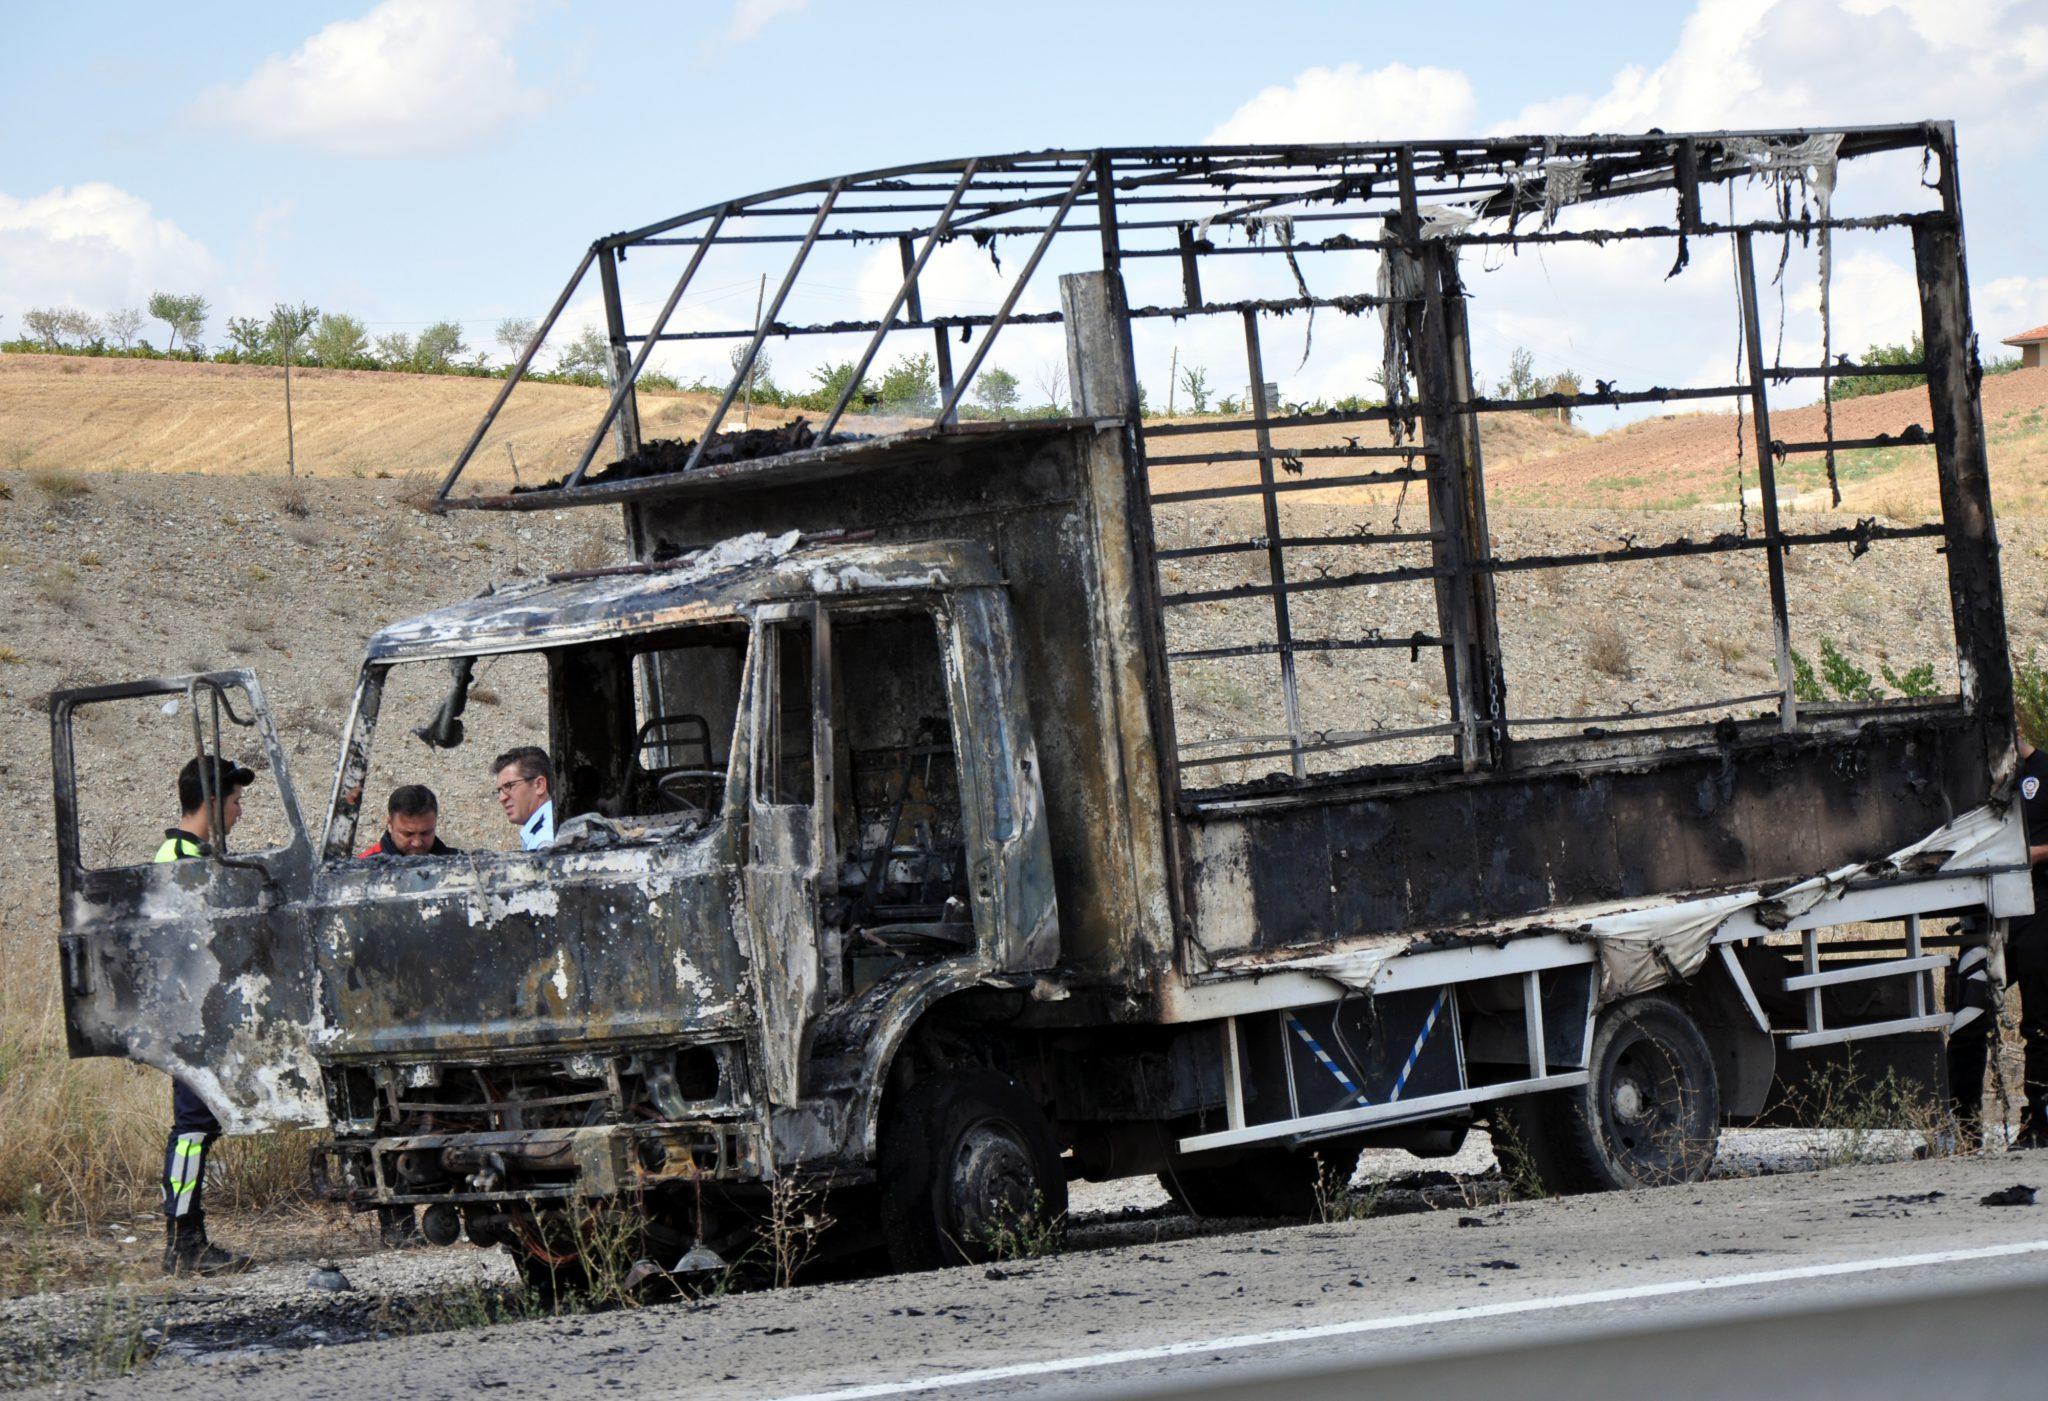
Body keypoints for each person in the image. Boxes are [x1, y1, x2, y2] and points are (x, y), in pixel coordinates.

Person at [155, 755, 259, 1276]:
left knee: (200, 1125)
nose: (240, 811)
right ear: (213, 802)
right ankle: (184, 1242)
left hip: (199, 1016)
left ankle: (187, 1237)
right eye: (236, 801)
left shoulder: (192, 853)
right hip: (191, 1019)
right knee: (193, 1128)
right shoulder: (181, 858)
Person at [1949, 724, 2048, 1150]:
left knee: (2040, 1024)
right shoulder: (1984, 783)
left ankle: (2038, 1123)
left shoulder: (2043, 771)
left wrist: (2019, 856)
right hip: (1986, 920)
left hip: (2037, 912)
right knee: (1967, 1019)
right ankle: (1964, 1130)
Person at [359, 784, 458, 858]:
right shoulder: (365, 869)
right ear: (390, 824)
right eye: (408, 834)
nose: (417, 843)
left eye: (425, 833)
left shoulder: (460, 864)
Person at [492, 746, 555, 850]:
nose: (501, 798)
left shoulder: (545, 840)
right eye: (499, 791)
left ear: (539, 785)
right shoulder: (552, 825)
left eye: (509, 786)